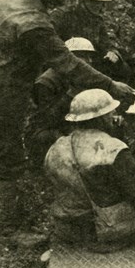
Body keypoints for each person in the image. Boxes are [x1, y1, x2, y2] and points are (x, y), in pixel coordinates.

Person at [0, 0, 135, 245]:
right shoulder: (34, 22)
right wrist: (110, 84)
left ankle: (5, 211)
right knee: (8, 155)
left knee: (4, 149)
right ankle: (9, 230)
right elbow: (67, 64)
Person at [45, 89, 135, 252]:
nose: (114, 115)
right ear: (103, 117)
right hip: (107, 230)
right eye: (111, 112)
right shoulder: (113, 149)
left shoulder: (56, 147)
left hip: (68, 229)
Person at [24, 37, 97, 172]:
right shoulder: (46, 82)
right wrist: (70, 95)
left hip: (73, 121)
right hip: (46, 128)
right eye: (85, 57)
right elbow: (47, 118)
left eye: (90, 57)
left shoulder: (81, 76)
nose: (89, 62)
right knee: (50, 138)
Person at [50, 0, 132, 81]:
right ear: (81, 1)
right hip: (67, 59)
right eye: (94, 2)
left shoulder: (97, 20)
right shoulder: (62, 15)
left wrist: (112, 52)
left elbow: (105, 44)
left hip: (91, 60)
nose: (99, 6)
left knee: (123, 69)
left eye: (100, 3)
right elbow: (50, 42)